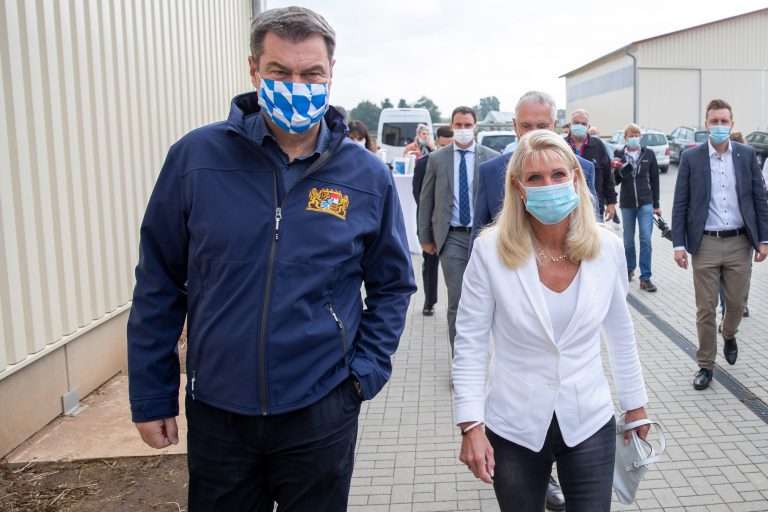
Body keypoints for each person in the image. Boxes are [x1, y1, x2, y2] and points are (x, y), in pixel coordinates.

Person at [127, 7, 416, 510]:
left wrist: (362, 375)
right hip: (219, 411)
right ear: (254, 70)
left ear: (331, 76)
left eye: (311, 74)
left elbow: (392, 285)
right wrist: (152, 394)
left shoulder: (365, 174)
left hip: (321, 408)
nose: (296, 84)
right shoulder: (195, 159)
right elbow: (159, 283)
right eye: (280, 72)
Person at [454, 130, 649, 512]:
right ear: (518, 188)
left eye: (558, 175)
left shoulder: (606, 246)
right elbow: (471, 342)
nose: (549, 185)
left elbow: (620, 331)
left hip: (588, 418)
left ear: (575, 176)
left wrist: (636, 405)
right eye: (535, 178)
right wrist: (470, 424)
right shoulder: (489, 251)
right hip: (513, 425)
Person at [672, 99, 768, 391]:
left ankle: (729, 333)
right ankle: (705, 365)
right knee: (705, 308)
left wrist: (763, 239)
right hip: (706, 244)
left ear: (732, 124)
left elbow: (759, 198)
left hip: (741, 242)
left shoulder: (747, 155)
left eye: (724, 121)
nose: (719, 126)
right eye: (714, 121)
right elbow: (680, 202)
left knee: (737, 303)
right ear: (706, 124)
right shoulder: (692, 158)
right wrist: (678, 244)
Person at [472, 91, 598, 255]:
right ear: (515, 125)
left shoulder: (581, 169)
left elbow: (590, 226)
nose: (534, 133)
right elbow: (479, 236)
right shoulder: (490, 172)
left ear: (554, 125)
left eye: (542, 126)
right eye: (526, 126)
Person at [418, 107, 499, 355]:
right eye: (458, 125)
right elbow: (426, 199)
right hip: (451, 237)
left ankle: (485, 353)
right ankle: (461, 358)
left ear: (475, 126)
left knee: (489, 299)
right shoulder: (437, 158)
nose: (463, 129)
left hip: (485, 236)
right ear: (451, 126)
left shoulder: (491, 157)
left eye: (467, 125)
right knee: (457, 300)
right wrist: (425, 237)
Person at [612, 123, 661, 291]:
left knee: (646, 239)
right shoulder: (619, 155)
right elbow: (615, 182)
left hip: (646, 202)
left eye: (636, 134)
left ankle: (645, 277)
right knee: (627, 240)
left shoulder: (649, 154)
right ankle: (629, 268)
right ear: (625, 138)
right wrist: (616, 170)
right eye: (631, 135)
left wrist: (657, 204)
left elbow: (655, 179)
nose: (634, 138)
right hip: (627, 203)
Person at [413, 126, 454, 316]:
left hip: (453, 226)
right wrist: (425, 229)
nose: (447, 148)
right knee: (429, 264)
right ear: (436, 142)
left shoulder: (461, 164)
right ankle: (429, 301)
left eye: (450, 144)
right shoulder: (423, 164)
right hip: (431, 222)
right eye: (443, 145)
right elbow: (419, 196)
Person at [566, 109, 617, 222]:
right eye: (576, 123)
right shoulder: (562, 146)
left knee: (594, 239)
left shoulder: (598, 146)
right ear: (570, 125)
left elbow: (608, 176)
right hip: (568, 208)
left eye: (583, 124)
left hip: (594, 207)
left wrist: (611, 203)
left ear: (588, 127)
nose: (580, 126)